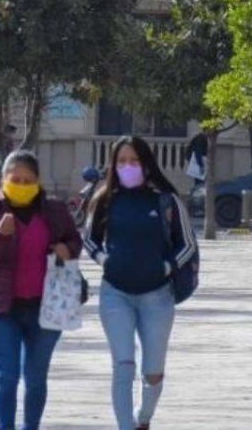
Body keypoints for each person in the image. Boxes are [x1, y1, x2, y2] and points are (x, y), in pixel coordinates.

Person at [83, 135, 197, 430]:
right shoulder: (104, 199)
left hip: (157, 298)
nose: (128, 166)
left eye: (134, 160)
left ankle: (142, 417)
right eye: (121, 161)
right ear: (113, 165)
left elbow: (187, 244)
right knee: (123, 365)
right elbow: (89, 239)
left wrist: (166, 265)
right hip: (114, 294)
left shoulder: (166, 201)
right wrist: (105, 261)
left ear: (146, 164)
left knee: (153, 371)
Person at [0, 150, 81, 430]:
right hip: (1, 309)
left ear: (37, 182)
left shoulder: (54, 210)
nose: (21, 185)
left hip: (46, 308)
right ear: (3, 180)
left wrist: (65, 248)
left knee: (35, 378)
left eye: (27, 180)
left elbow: (75, 241)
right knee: (7, 376)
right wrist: (0, 233)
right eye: (15, 179)